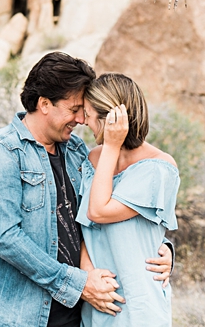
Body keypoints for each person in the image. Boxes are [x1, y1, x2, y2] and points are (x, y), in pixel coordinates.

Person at [0, 52, 172, 327]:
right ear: (44, 104)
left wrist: (162, 248)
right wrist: (77, 283)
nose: (80, 119)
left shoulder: (78, 152)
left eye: (84, 111)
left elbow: (103, 218)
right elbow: (6, 238)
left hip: (77, 316)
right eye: (74, 109)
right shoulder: (2, 152)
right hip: (19, 318)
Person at [76, 73, 178, 326]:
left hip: (139, 307)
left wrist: (111, 146)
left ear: (111, 119)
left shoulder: (158, 168)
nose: (83, 122)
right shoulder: (91, 160)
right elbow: (84, 227)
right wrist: (87, 270)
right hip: (97, 302)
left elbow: (99, 211)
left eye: (88, 114)